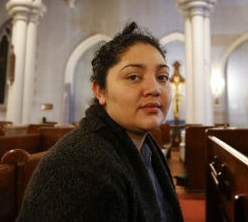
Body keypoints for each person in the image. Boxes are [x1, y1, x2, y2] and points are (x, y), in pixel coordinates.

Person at [17, 22, 183, 222]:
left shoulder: (143, 147)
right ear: (100, 91)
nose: (154, 88)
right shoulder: (81, 170)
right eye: (133, 77)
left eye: (162, 77)